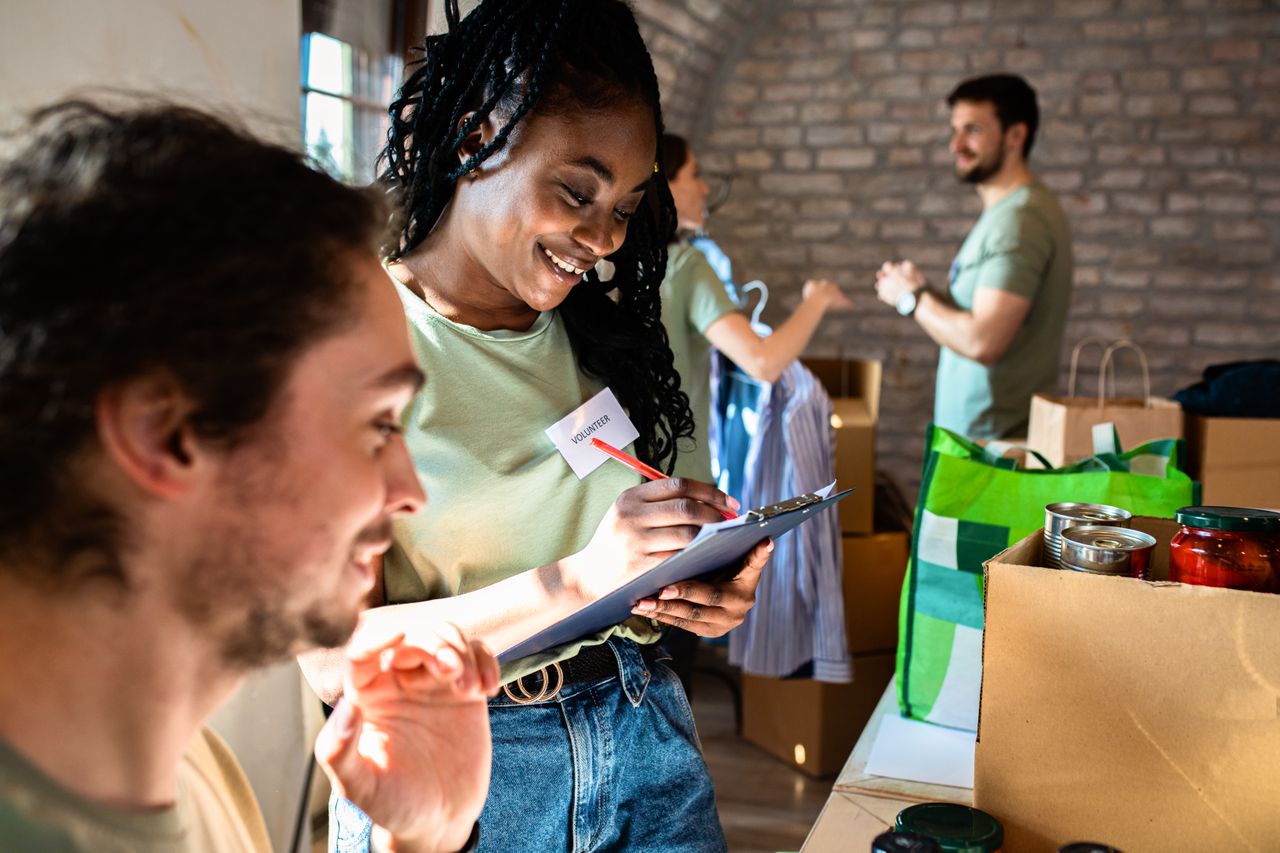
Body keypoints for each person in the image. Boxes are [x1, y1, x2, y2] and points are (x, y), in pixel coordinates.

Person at [296, 1, 773, 851]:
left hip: (646, 736)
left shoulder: (601, 332)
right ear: (480, 134)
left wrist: (698, 585)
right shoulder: (346, 341)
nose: (602, 238)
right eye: (576, 191)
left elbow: (615, 567)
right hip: (459, 779)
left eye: (625, 205)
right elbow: (334, 660)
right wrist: (586, 574)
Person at [0, 100, 499, 853]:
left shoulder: (178, 760)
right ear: (165, 433)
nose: (409, 491)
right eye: (376, 425)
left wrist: (427, 838)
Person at [874, 73, 1073, 440]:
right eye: (955, 130)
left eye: (973, 130)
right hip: (980, 445)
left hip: (995, 452)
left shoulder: (1020, 220)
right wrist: (924, 291)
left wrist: (910, 298)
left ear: (1015, 135)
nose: (956, 144)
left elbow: (984, 341)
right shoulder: (1008, 213)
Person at [660, 132, 853, 484]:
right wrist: (818, 300)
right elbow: (763, 361)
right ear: (665, 184)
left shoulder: (622, 267)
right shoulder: (685, 266)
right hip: (678, 476)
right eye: (695, 174)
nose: (705, 189)